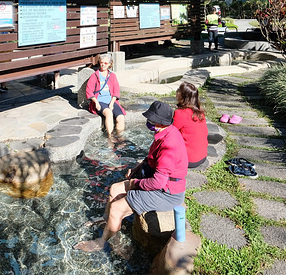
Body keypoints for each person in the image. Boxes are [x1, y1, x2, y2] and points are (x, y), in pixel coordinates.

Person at [74, 101, 187, 252]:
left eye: (151, 120)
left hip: (167, 193)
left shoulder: (169, 146)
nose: (148, 123)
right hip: (160, 184)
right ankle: (106, 221)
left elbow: (158, 183)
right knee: (114, 189)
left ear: (160, 123)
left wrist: (134, 183)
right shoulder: (164, 132)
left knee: (116, 207)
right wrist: (138, 167)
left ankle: (100, 243)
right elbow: (152, 157)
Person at [85, 53, 125, 136]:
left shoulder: (112, 76)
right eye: (101, 62)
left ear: (110, 64)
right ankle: (110, 136)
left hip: (111, 101)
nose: (103, 65)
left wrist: (112, 103)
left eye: (106, 63)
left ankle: (119, 136)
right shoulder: (95, 75)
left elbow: (116, 91)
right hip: (100, 101)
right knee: (108, 113)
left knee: (121, 117)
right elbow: (89, 90)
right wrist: (96, 102)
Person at [172, 81, 209, 168]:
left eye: (178, 90)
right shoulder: (200, 112)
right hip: (202, 156)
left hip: (189, 160)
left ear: (184, 96)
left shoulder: (180, 113)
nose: (176, 92)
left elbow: (169, 132)